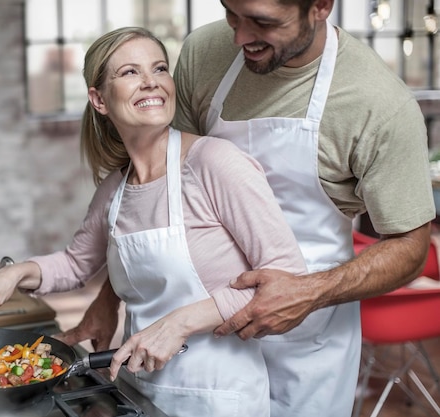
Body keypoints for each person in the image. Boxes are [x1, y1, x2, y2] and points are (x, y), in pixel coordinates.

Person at [55, 1, 437, 416]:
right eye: (232, 15)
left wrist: (307, 292)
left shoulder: (378, 103)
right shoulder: (206, 52)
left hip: (308, 333)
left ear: (321, 7)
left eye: (262, 22)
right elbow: (161, 186)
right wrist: (110, 296)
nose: (239, 38)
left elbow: (411, 247)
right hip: (205, 330)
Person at [0, 26, 307, 417]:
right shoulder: (115, 190)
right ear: (99, 99)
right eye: (129, 72)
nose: (150, 82)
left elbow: (287, 279)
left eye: (159, 69)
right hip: (139, 389)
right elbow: (77, 264)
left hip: (221, 396)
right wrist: (14, 272)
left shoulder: (215, 163)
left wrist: (182, 321)